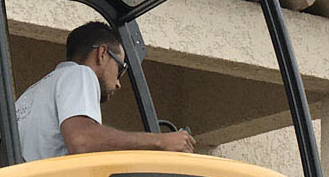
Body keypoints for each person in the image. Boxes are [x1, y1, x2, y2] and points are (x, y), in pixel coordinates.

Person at [15, 21, 195, 161]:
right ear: (102, 54)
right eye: (120, 69)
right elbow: (82, 140)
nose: (118, 83)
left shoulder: (33, 94)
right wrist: (160, 142)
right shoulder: (80, 73)